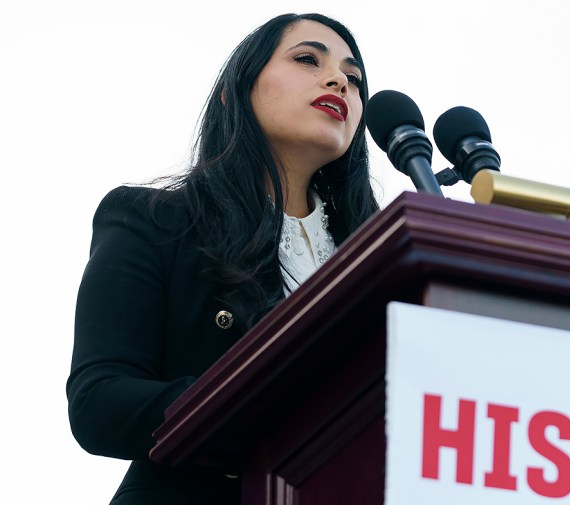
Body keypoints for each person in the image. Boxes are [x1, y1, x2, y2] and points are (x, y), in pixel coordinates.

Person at [66, 13, 378, 505]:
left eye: (354, 78)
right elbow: (98, 403)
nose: (339, 79)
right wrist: (271, 404)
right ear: (235, 93)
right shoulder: (152, 222)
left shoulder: (377, 258)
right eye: (306, 59)